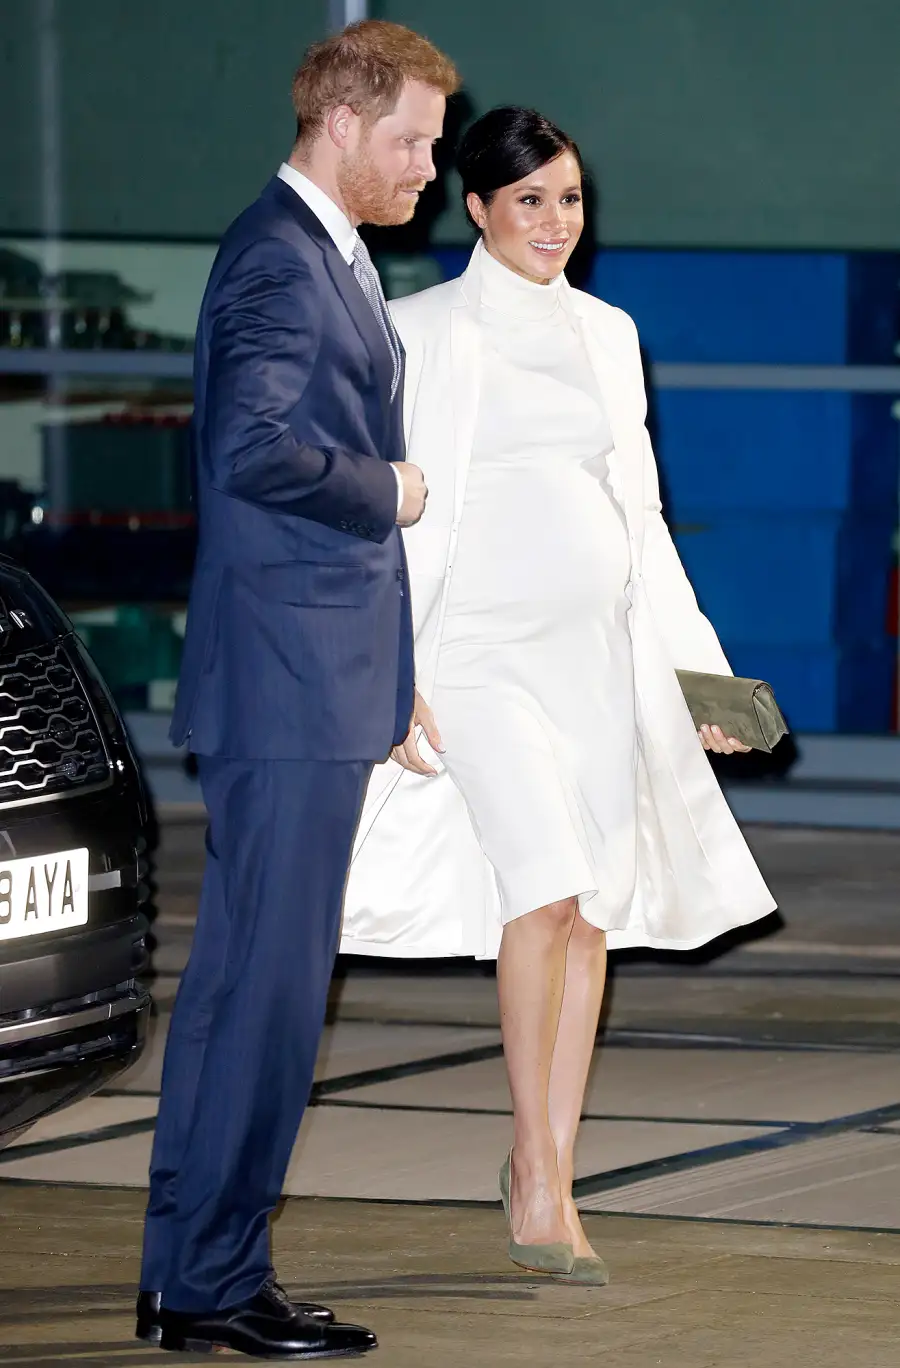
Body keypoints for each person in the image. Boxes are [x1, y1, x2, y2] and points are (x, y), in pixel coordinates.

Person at [342, 107, 776, 1286]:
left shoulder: (608, 333)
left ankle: (550, 1164)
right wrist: (388, 668)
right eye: (528, 200)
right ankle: (538, 1176)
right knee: (540, 891)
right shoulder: (414, 331)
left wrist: (698, 675)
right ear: (477, 207)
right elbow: (370, 524)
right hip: (472, 660)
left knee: (586, 914)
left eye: (569, 199)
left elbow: (641, 519)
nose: (554, 222)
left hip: (595, 657)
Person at [136, 21, 459, 1360]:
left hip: (309, 674)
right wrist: (390, 489)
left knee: (245, 993)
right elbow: (255, 447)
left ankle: (193, 1273)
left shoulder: (324, 252)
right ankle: (213, 1281)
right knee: (262, 998)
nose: (430, 168)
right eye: (414, 142)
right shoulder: (281, 256)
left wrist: (391, 670)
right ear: (342, 122)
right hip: (284, 686)